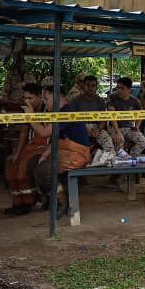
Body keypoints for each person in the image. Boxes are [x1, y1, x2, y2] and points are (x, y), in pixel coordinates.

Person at [32, 84, 91, 218]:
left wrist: (30, 116)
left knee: (46, 169)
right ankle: (49, 199)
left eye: (46, 99)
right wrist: (44, 155)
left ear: (58, 97)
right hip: (65, 151)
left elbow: (44, 133)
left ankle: (62, 202)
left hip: (77, 154)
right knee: (36, 163)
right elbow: (56, 140)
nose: (44, 102)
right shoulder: (60, 112)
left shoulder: (66, 112)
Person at [3, 82, 48, 216]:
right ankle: (17, 203)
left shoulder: (48, 109)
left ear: (40, 96)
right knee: (11, 165)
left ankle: (28, 202)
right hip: (30, 146)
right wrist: (17, 152)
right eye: (25, 98)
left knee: (22, 169)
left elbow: (46, 133)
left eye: (30, 98)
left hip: (43, 147)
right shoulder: (26, 110)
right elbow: (24, 131)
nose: (27, 101)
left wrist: (31, 115)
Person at [68, 74, 116, 157]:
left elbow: (103, 119)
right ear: (83, 86)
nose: (90, 88)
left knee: (108, 142)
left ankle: (109, 161)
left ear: (96, 87)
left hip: (96, 128)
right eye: (88, 85)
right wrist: (83, 128)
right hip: (79, 127)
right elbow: (70, 118)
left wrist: (98, 129)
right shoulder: (76, 100)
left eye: (93, 85)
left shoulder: (100, 101)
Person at [108, 77, 145, 157]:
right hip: (114, 127)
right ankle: (120, 160)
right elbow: (111, 116)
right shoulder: (112, 98)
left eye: (122, 88)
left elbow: (140, 114)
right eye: (118, 87)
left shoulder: (135, 101)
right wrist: (116, 131)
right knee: (119, 140)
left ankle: (131, 158)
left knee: (143, 141)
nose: (119, 90)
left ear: (129, 89)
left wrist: (137, 126)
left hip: (129, 128)